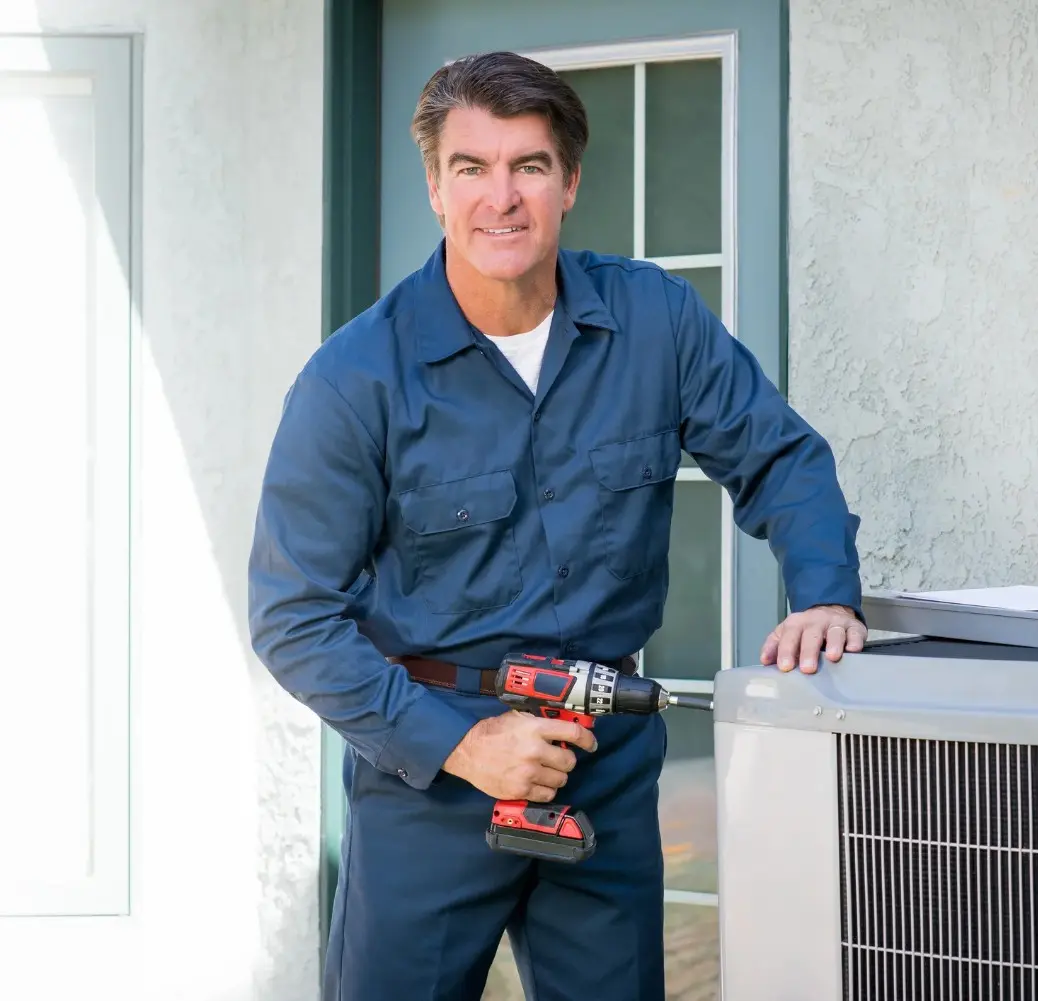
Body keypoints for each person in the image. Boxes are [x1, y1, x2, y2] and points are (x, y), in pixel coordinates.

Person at [247, 49, 866, 1001]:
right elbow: (293, 617)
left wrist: (823, 593)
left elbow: (782, 458)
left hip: (604, 769)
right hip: (432, 780)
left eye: (529, 165)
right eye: (472, 168)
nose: (502, 197)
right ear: (435, 188)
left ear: (570, 182)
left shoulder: (654, 319)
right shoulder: (354, 380)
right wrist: (463, 744)